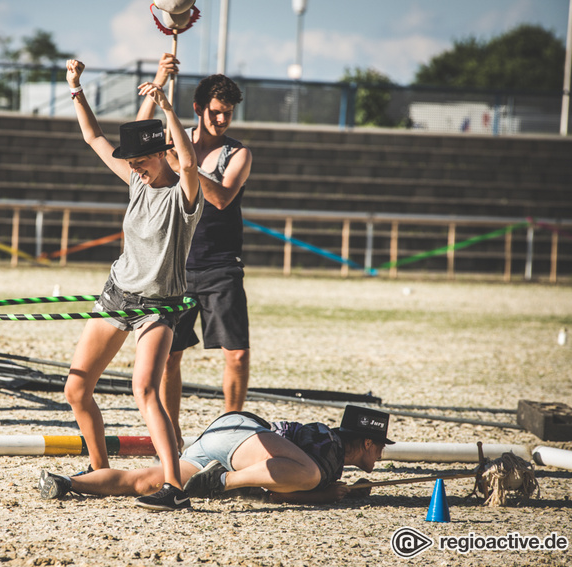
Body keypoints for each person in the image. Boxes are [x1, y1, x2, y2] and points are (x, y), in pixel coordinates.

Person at [61, 59, 203, 511]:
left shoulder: (184, 194)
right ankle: (99, 468)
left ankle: (173, 483)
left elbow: (192, 162)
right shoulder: (137, 185)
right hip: (118, 295)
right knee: (76, 389)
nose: (136, 169)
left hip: (159, 307)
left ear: (161, 153)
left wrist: (166, 106)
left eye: (142, 161)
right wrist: (76, 88)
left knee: (145, 389)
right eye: (133, 163)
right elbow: (92, 138)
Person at [136, 54, 253, 449]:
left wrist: (184, 164)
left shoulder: (237, 154)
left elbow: (220, 198)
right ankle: (173, 437)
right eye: (216, 112)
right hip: (176, 265)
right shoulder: (173, 137)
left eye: (228, 114)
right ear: (198, 109)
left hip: (221, 266)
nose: (222, 120)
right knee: (170, 358)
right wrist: (158, 79)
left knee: (236, 355)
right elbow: (135, 136)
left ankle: (230, 435)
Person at [39, 405, 395, 510]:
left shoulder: (325, 441)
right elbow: (281, 492)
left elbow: (276, 482)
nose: (381, 454)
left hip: (224, 433)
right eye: (379, 446)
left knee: (144, 480)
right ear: (365, 443)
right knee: (310, 475)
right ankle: (221, 482)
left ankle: (67, 482)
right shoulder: (330, 450)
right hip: (244, 437)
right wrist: (326, 494)